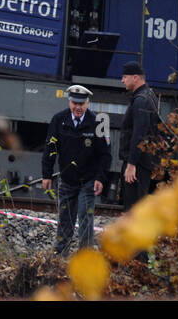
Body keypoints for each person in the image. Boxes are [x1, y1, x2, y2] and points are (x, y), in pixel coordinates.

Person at [41, 84, 110, 255]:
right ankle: (60, 255)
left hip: (88, 179)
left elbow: (105, 154)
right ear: (69, 102)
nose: (78, 107)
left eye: (82, 104)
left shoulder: (98, 122)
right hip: (67, 179)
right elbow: (50, 148)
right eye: (75, 103)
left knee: (85, 218)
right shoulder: (59, 120)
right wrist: (46, 174)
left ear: (88, 103)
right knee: (65, 219)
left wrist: (100, 178)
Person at [117, 61, 160, 209]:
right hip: (145, 161)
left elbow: (139, 133)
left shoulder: (141, 101)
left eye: (125, 77)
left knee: (133, 207)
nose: (122, 80)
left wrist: (131, 164)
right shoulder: (150, 95)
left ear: (135, 78)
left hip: (138, 164)